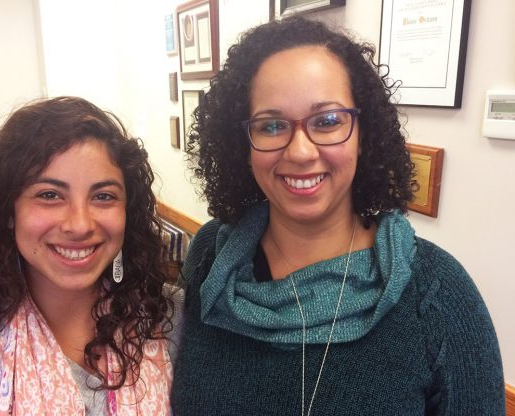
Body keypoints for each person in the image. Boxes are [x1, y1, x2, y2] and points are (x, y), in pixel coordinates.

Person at [171, 17, 504, 415]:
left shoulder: (438, 296)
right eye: (272, 125)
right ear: (241, 144)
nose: (300, 152)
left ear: (364, 133)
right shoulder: (212, 257)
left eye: (327, 121)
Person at [0, 96, 179, 415]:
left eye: (103, 196)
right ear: (9, 211)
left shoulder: (170, 319)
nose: (80, 224)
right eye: (50, 195)